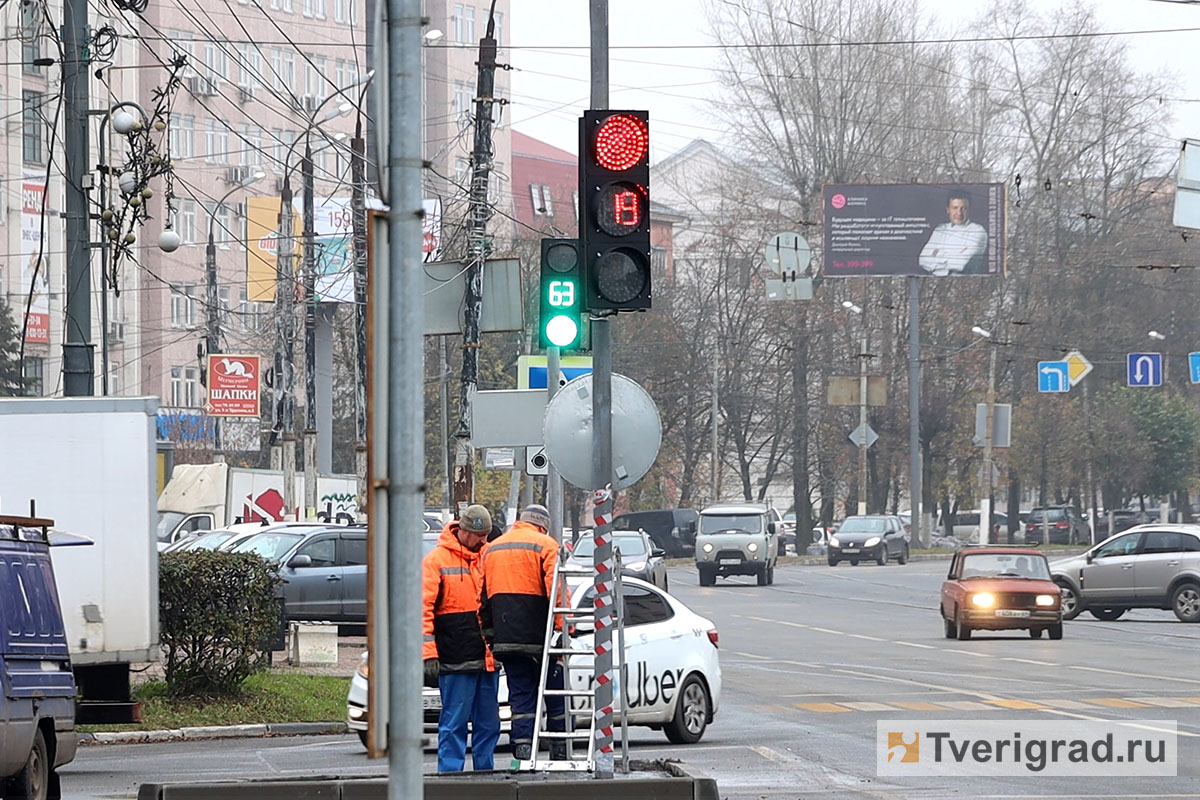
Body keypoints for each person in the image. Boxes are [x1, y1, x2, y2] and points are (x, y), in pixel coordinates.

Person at [479, 503, 568, 762]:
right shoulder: (546, 545)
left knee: (520, 698)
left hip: (507, 640)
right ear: (543, 525)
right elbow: (557, 594)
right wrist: (564, 629)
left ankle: (522, 752)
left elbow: (481, 598)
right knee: (555, 694)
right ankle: (559, 751)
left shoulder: (493, 549)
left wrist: (491, 636)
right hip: (542, 639)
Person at [422, 504, 500, 772]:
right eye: (480, 536)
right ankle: (450, 779)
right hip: (455, 657)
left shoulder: (488, 556)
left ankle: (485, 776)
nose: (484, 541)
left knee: (488, 725)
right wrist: (429, 654)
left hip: (485, 659)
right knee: (454, 723)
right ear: (464, 531)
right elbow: (423, 610)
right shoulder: (436, 561)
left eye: (486, 536)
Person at [919, 191, 989, 276]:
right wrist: (951, 259)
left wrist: (936, 256)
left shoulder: (978, 231)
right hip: (937, 282)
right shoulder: (940, 230)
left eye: (964, 208)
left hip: (968, 283)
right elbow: (922, 260)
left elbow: (961, 265)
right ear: (948, 210)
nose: (959, 213)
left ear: (969, 210)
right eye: (955, 208)